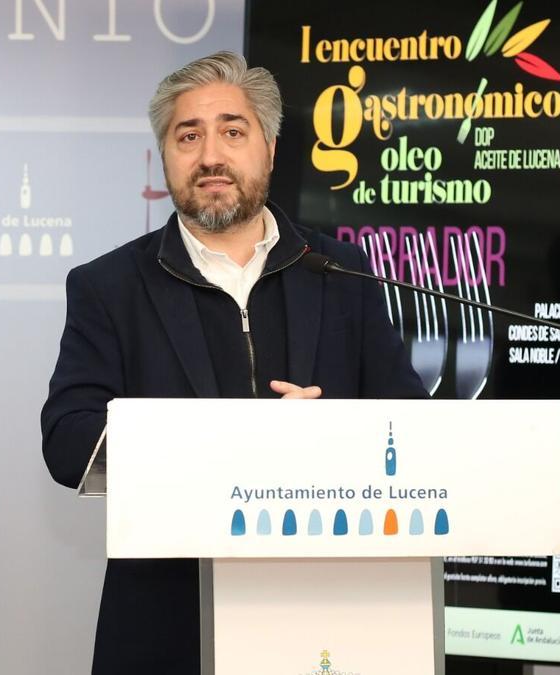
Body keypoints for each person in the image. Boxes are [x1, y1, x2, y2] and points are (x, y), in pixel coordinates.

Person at [40, 51, 426, 674]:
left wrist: (333, 435)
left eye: (232, 131)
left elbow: (408, 424)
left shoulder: (342, 273)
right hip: (166, 616)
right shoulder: (108, 286)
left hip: (328, 612)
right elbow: (66, 441)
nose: (210, 154)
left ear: (270, 148)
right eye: (187, 135)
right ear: (164, 155)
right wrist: (219, 444)